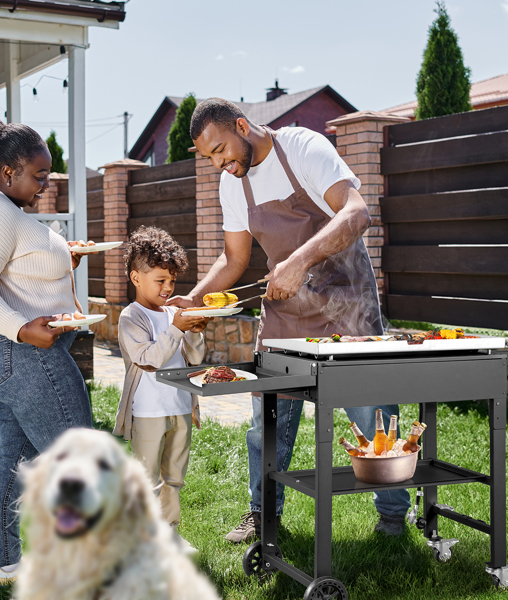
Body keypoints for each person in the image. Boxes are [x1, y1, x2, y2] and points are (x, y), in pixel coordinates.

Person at [167, 98, 411, 543]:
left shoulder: (302, 147)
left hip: (346, 304)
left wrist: (298, 261)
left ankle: (394, 515)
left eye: (221, 149)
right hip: (286, 312)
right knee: (268, 419)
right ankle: (263, 513)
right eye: (209, 157)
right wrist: (196, 299)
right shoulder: (232, 184)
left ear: (242, 125)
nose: (219, 163)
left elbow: (357, 213)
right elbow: (234, 257)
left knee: (372, 409)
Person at [0, 120, 93, 588]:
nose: (46, 185)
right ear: (6, 171)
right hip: (18, 352)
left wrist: (65, 258)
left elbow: (20, 270)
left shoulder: (6, 208)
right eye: (39, 176)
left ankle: (6, 565)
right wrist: (22, 330)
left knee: (17, 459)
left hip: (13, 353)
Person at [113, 226, 210, 552]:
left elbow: (195, 357)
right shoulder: (131, 316)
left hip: (181, 407)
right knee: (147, 478)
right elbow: (149, 359)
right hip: (148, 412)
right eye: (160, 280)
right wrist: (177, 328)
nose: (168, 288)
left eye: (172, 280)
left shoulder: (173, 313)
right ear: (136, 278)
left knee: (174, 477)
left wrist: (194, 330)